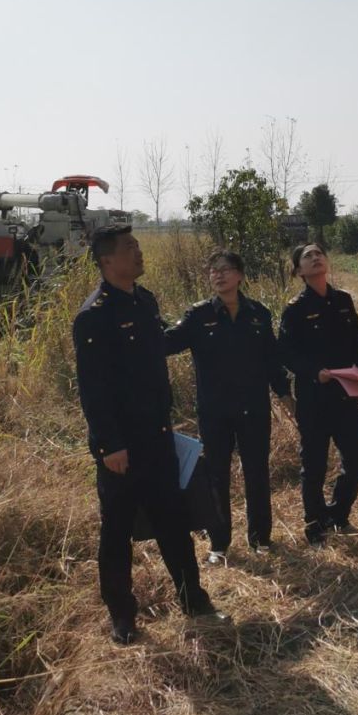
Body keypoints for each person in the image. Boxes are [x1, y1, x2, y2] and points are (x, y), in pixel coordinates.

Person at [73, 223, 223, 644]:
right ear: (107, 261)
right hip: (121, 448)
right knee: (117, 533)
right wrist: (109, 445)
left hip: (158, 438)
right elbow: (93, 389)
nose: (138, 252)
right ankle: (122, 616)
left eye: (138, 244)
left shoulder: (146, 301)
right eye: (129, 247)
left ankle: (193, 599)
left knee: (174, 523)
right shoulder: (94, 316)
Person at [164, 249, 293, 562]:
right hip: (214, 411)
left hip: (253, 407)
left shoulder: (258, 314)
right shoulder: (198, 315)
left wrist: (286, 396)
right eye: (213, 271)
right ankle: (219, 544)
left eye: (224, 269)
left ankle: (261, 538)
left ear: (239, 275)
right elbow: (167, 342)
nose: (218, 275)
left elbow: (271, 360)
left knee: (257, 473)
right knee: (217, 476)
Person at [278, 242, 358, 544]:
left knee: (357, 461)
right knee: (315, 464)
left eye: (319, 253)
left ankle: (338, 514)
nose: (316, 258)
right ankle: (315, 524)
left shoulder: (343, 300)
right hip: (314, 398)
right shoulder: (295, 310)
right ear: (298, 271)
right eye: (308, 256)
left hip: (347, 395)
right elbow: (286, 353)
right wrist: (313, 371)